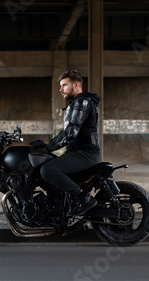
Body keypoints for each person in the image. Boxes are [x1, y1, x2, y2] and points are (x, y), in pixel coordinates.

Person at [31, 69, 100, 217]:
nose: (60, 89)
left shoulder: (83, 102)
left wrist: (48, 147)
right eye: (60, 86)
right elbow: (68, 132)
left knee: (47, 170)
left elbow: (70, 133)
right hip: (77, 152)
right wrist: (47, 147)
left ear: (75, 85)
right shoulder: (76, 103)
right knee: (44, 166)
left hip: (85, 154)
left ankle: (83, 198)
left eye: (64, 85)